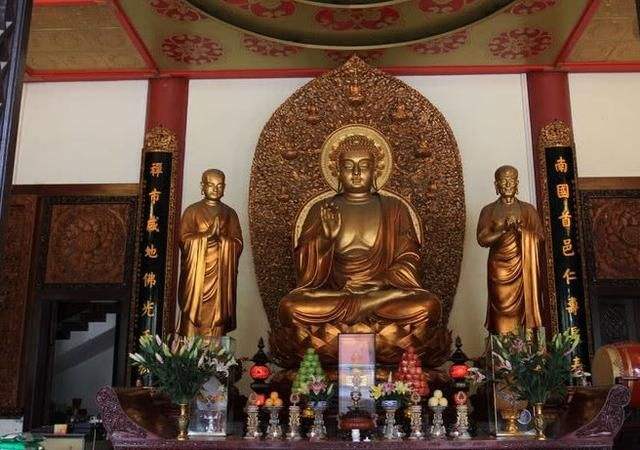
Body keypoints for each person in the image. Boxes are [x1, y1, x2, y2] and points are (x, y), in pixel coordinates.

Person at [476, 165, 544, 335]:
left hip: (522, 267)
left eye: (511, 181)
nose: (507, 185)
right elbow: (482, 239)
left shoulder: (528, 210)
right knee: (500, 307)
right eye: (503, 181)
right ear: (496, 185)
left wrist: (521, 230)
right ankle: (502, 346)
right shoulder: (489, 210)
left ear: (517, 183)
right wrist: (504, 229)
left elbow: (540, 237)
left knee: (524, 307)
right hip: (499, 269)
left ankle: (526, 346)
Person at [178, 169, 243, 337]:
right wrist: (205, 237)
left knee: (217, 314)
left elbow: (238, 243)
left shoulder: (230, 213)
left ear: (224, 188)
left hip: (220, 274)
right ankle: (187, 356)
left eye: (219, 186)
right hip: (197, 274)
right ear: (202, 186)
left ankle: (216, 358)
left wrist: (222, 239)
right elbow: (183, 239)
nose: (215, 189)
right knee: (193, 313)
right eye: (211, 185)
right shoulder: (192, 211)